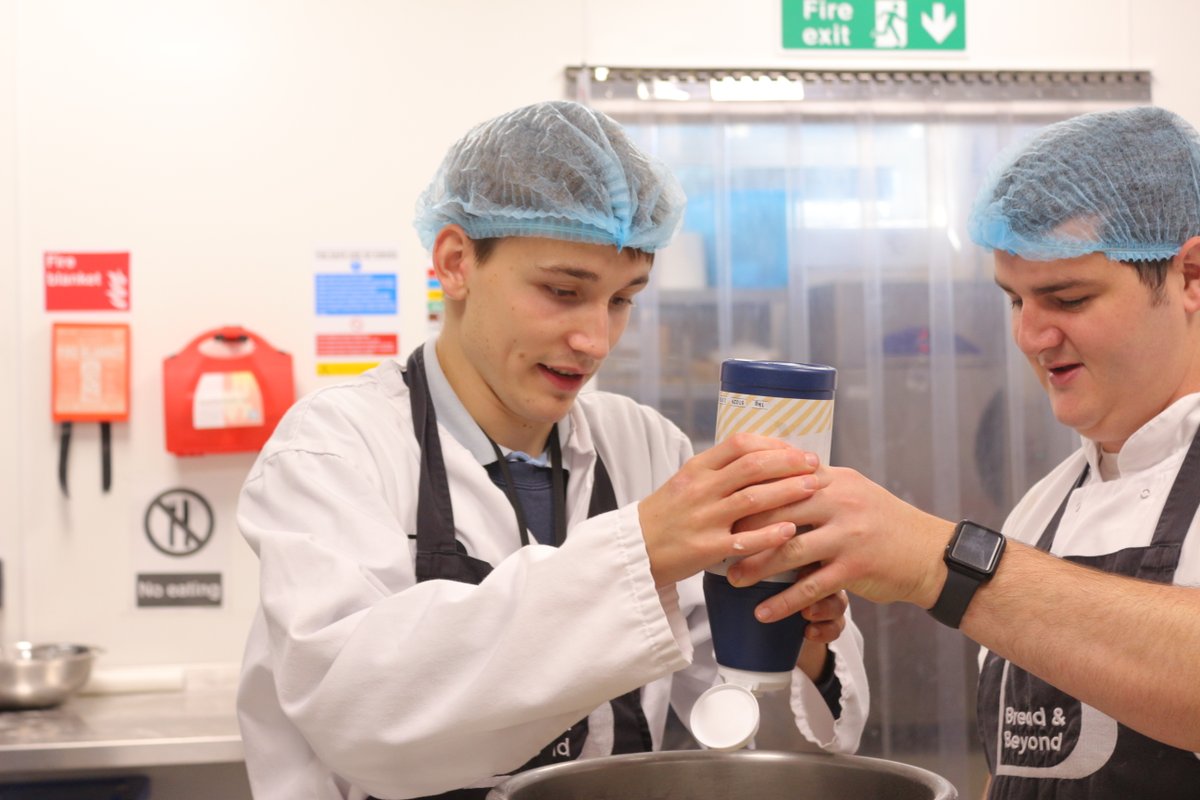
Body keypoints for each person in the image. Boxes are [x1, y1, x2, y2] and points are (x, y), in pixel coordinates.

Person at [236, 100, 868, 800]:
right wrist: (640, 550)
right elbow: (362, 720)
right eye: (564, 291)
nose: (595, 340)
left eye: (623, 299)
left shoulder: (644, 447)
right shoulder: (335, 451)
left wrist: (794, 645)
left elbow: (750, 739)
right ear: (455, 262)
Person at [727, 105, 1200, 798]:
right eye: (1014, 301)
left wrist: (938, 562)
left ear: (1190, 276)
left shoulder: (985, 558)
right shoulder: (1043, 509)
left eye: (1066, 298)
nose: (1031, 337)